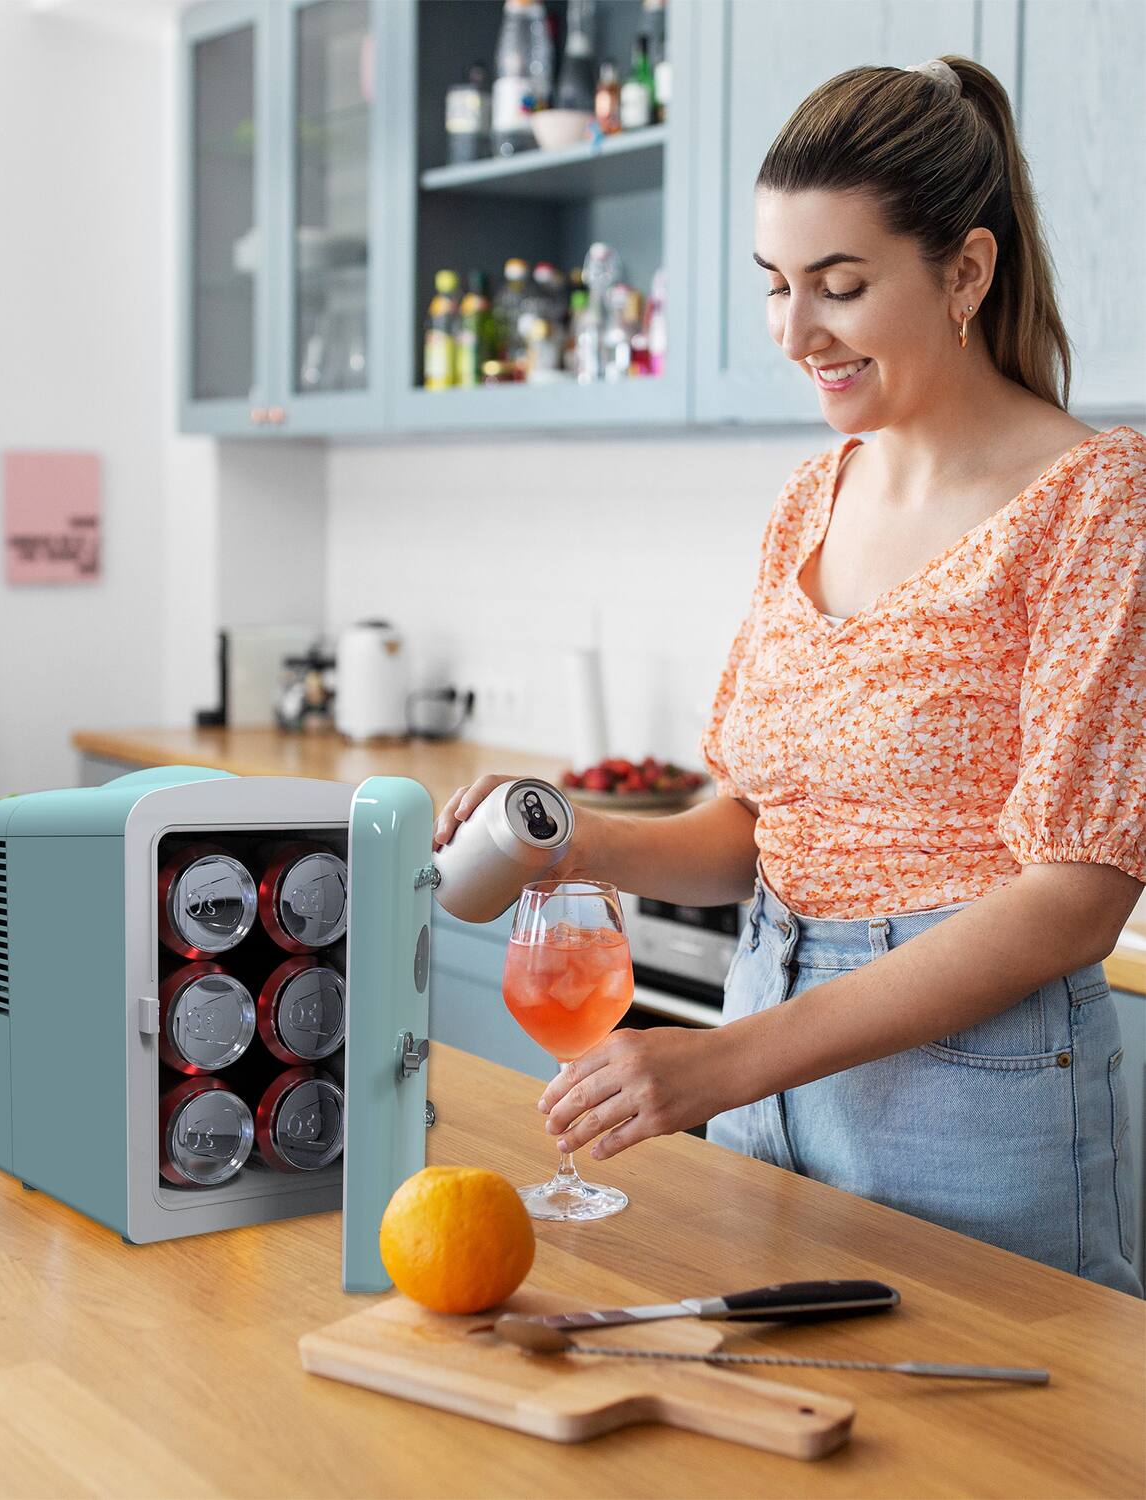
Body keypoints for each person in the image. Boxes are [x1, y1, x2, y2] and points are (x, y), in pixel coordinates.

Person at [433, 56, 1144, 1295]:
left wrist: (730, 1060)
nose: (795, 330)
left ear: (967, 271)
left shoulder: (1094, 503)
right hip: (770, 1038)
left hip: (975, 1094)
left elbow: (1074, 897)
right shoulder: (811, 500)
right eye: (776, 285)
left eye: (842, 286)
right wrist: (577, 845)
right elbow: (756, 829)